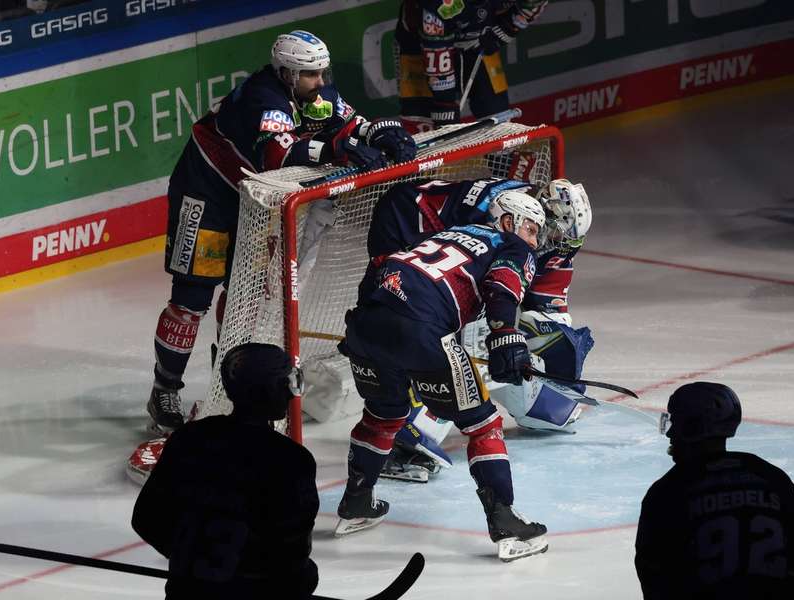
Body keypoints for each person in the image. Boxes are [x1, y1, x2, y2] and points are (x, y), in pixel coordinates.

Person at [147, 30, 417, 435]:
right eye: (310, 75)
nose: (321, 82)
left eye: (322, 72)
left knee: (244, 300)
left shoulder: (314, 90)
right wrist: (334, 150)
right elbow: (276, 154)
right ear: (287, 73)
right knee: (191, 299)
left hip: (253, 202)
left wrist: (381, 131)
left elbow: (349, 121)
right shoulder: (265, 97)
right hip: (205, 195)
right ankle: (165, 388)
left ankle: (227, 389)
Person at [335, 188, 549, 562]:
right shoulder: (513, 246)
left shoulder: (444, 233)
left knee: (383, 415)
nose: (533, 240)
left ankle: (356, 502)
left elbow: (381, 268)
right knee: (483, 425)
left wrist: (362, 331)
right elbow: (502, 289)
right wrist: (506, 339)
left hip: (366, 323)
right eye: (531, 228)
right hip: (421, 331)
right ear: (508, 221)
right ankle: (505, 521)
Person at [353, 177, 593, 482]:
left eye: (568, 241)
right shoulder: (492, 214)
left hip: (438, 249)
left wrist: (561, 357)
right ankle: (407, 423)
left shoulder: (547, 241)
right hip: (404, 224)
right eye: (556, 235)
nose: (558, 245)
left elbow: (549, 308)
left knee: (472, 326)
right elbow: (471, 285)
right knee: (430, 326)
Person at [132, 342, 319, 600]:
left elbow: (146, 519)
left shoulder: (189, 439)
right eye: (284, 382)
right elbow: (291, 560)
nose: (289, 393)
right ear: (271, 390)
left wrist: (193, 560)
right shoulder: (291, 462)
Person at [635, 382, 794, 600]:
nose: (670, 433)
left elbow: (656, 587)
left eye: (676, 422)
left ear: (693, 427)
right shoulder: (770, 476)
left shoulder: (667, 492)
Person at [394, 0, 549, 132]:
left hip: (480, 38)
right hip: (419, 46)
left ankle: (509, 162)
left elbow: (533, 3)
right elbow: (436, 51)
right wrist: (445, 103)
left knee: (498, 119)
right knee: (424, 127)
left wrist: (505, 29)